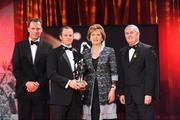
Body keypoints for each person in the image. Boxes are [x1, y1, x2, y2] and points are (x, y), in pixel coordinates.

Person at [117, 24, 159, 120]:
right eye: (127, 33)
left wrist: (149, 93)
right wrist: (121, 93)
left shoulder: (148, 50)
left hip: (144, 96)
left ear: (138, 34)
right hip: (128, 96)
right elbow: (122, 74)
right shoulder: (122, 52)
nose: (129, 35)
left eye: (131, 32)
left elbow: (151, 74)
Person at [12, 18, 51, 120]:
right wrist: (27, 83)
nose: (35, 31)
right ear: (28, 29)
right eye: (33, 28)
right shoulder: (19, 46)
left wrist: (37, 84)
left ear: (41, 29)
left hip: (41, 91)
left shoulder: (48, 47)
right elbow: (16, 68)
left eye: (38, 28)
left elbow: (49, 70)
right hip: (23, 91)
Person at [47, 26, 87, 120]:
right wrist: (69, 82)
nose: (68, 37)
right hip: (59, 99)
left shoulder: (79, 54)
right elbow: (51, 73)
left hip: (75, 99)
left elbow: (82, 73)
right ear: (60, 37)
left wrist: (83, 82)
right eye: (66, 35)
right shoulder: (53, 53)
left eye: (70, 35)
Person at [82, 24, 118, 120]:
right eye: (93, 35)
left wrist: (113, 89)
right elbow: (83, 72)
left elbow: (114, 72)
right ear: (89, 37)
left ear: (102, 37)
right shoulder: (85, 53)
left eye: (98, 35)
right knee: (93, 115)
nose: (95, 37)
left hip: (106, 91)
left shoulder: (109, 51)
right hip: (90, 92)